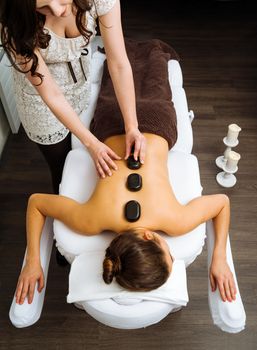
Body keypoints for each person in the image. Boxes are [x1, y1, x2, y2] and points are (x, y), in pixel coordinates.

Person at [15, 132, 237, 305]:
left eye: (168, 252)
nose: (171, 249)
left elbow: (221, 203)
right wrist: (33, 262)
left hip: (156, 121)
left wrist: (219, 259)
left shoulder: (176, 221)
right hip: (111, 123)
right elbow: (36, 203)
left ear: (149, 236)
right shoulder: (90, 221)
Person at [0, 0, 146, 194]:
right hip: (41, 104)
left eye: (60, 0)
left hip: (79, 84)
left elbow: (118, 64)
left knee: (81, 159)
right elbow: (51, 94)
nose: (58, 11)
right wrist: (92, 144)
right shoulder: (15, 23)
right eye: (43, 7)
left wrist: (132, 126)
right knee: (62, 169)